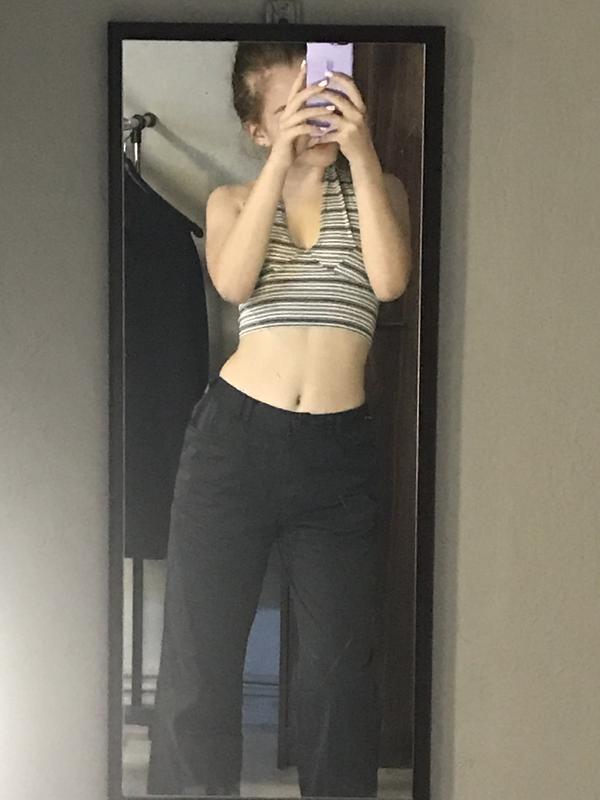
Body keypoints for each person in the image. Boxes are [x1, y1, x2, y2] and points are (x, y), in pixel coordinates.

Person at [146, 41, 411, 798]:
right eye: (293, 107)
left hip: (338, 455)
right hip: (234, 444)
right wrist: (279, 168)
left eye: (322, 97)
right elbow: (233, 282)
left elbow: (391, 281)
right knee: (200, 661)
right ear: (258, 128)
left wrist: (360, 153)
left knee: (337, 674)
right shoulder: (231, 201)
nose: (313, 118)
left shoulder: (379, 188)